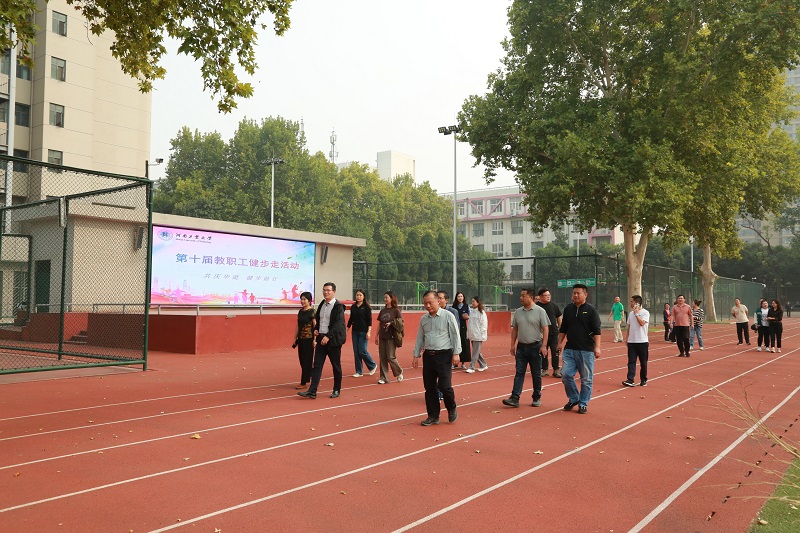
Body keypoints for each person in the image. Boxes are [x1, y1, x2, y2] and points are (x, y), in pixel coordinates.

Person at [412, 290, 461, 426]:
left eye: (430, 302)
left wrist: (456, 353)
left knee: (445, 386)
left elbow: (455, 335)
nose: (428, 305)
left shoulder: (448, 316)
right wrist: (416, 355)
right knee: (429, 388)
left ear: (438, 301)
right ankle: (433, 416)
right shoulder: (424, 319)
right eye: (425, 303)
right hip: (429, 356)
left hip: (444, 355)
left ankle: (451, 408)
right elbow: (420, 337)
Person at [558, 283, 602, 414]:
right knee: (565, 375)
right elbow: (563, 328)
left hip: (586, 350)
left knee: (586, 379)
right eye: (574, 293)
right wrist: (559, 343)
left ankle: (583, 403)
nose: (575, 295)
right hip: (570, 349)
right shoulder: (568, 309)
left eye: (578, 293)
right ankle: (574, 398)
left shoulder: (591, 310)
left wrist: (597, 347)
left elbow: (597, 331)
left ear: (585, 294)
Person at [298, 282, 346, 399]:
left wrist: (328, 336)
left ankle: (336, 389)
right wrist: (316, 329)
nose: (326, 292)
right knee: (317, 366)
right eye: (324, 290)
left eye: (328, 290)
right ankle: (312, 390)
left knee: (336, 366)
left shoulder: (338, 307)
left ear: (334, 291)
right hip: (321, 339)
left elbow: (339, 324)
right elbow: (319, 320)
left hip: (333, 341)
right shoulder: (322, 305)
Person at [503, 288, 550, 408]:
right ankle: (515, 398)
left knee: (536, 374)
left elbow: (545, 329)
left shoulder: (540, 311)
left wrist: (544, 346)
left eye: (523, 295)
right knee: (519, 373)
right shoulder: (518, 312)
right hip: (521, 348)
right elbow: (515, 329)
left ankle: (536, 397)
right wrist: (512, 345)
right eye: (521, 295)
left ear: (531, 297)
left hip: (535, 347)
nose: (521, 298)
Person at [375, 290, 404, 384]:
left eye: (386, 297)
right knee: (382, 357)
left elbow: (400, 324)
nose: (385, 299)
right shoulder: (382, 310)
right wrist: (376, 335)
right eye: (384, 297)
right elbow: (379, 324)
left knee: (390, 357)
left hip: (391, 337)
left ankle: (398, 371)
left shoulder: (396, 311)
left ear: (391, 298)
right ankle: (383, 377)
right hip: (382, 336)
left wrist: (391, 323)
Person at [347, 289, 378, 377]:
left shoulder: (366, 307)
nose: (358, 297)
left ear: (364, 296)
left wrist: (369, 331)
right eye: (357, 295)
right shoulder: (353, 307)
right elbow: (351, 319)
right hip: (355, 331)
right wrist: (346, 329)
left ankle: (372, 365)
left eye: (360, 295)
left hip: (364, 332)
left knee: (362, 351)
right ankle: (359, 371)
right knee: (356, 352)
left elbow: (369, 321)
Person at [622, 295, 649, 387]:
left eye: (632, 302)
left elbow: (642, 323)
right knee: (631, 361)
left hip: (642, 341)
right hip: (632, 342)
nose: (630, 303)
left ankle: (643, 379)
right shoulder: (630, 314)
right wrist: (627, 338)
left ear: (637, 303)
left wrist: (637, 314)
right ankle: (630, 379)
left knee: (643, 362)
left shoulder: (645, 313)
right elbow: (629, 326)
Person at [536, 287, 562, 377]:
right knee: (543, 352)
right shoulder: (536, 307)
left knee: (555, 352)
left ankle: (556, 370)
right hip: (541, 334)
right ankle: (544, 369)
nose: (548, 297)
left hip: (554, 334)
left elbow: (559, 318)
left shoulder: (554, 306)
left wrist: (560, 328)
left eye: (549, 295)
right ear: (540, 296)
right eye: (546, 295)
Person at [293, 291, 315, 389]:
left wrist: (315, 339)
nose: (302, 301)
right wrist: (295, 338)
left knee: (307, 360)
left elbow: (315, 326)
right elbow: (298, 326)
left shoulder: (313, 312)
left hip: (309, 339)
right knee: (302, 360)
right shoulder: (301, 312)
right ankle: (311, 373)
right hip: (301, 339)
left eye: (304, 299)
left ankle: (303, 382)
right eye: (301, 299)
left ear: (309, 301)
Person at [437, 290, 461, 369]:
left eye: (440, 298)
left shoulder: (453, 311)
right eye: (437, 298)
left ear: (446, 300)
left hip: (449, 340)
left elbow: (456, 328)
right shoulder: (433, 312)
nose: (438, 300)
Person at [466, 296, 488, 373]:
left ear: (478, 302)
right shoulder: (472, 312)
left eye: (474, 301)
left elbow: (484, 324)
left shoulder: (481, 313)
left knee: (475, 351)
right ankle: (483, 365)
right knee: (477, 351)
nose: (472, 303)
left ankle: (472, 367)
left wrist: (482, 334)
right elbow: (470, 324)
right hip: (472, 334)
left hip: (478, 335)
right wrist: (468, 333)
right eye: (472, 301)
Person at [453, 291, 472, 369]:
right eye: (458, 296)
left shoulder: (467, 306)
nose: (460, 298)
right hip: (455, 327)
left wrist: (467, 317)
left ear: (463, 297)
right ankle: (454, 363)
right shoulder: (453, 307)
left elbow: (470, 316)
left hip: (463, 328)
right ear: (456, 298)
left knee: (464, 344)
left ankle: (463, 363)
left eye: (461, 296)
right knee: (455, 344)